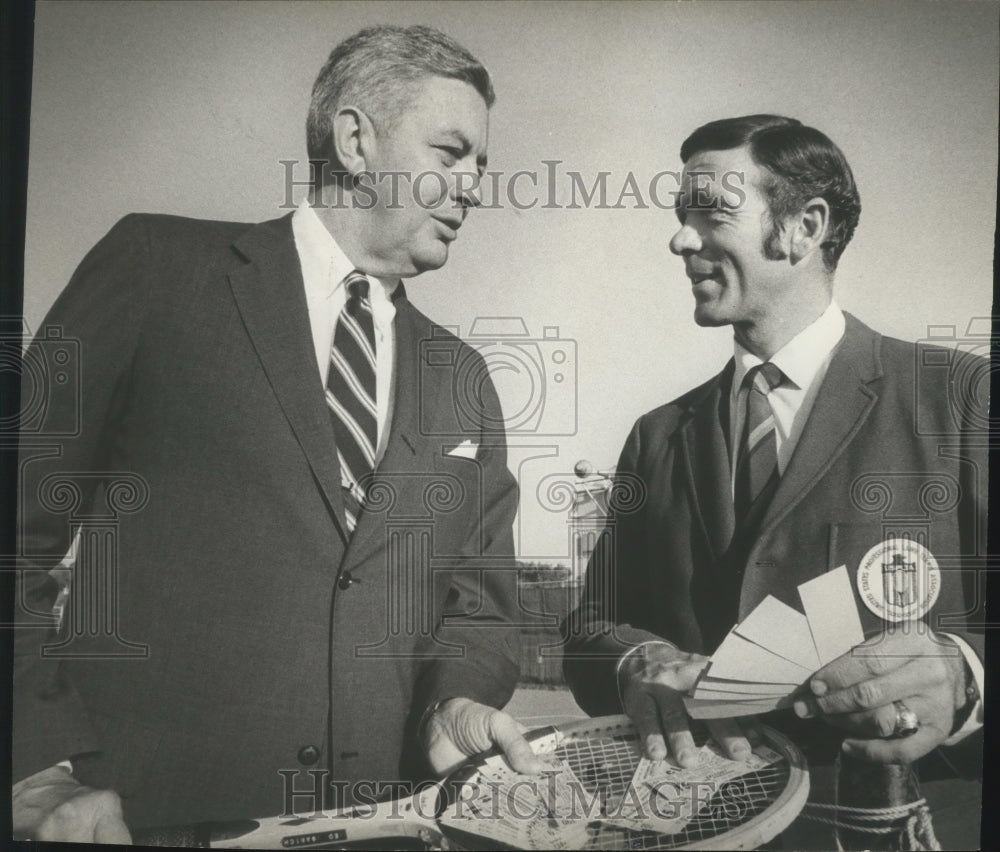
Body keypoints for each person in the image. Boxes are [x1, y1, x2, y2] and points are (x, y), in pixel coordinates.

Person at [13, 24, 546, 843]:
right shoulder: (157, 269)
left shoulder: (465, 379)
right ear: (357, 140)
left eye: (480, 164)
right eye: (451, 152)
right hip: (142, 822)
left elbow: (480, 611)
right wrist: (37, 766)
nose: (475, 185)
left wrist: (453, 701)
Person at [564, 115, 985, 845]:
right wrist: (636, 660)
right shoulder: (657, 436)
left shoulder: (962, 398)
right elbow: (590, 625)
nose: (681, 239)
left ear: (803, 227)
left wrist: (968, 674)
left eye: (711, 211)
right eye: (679, 215)